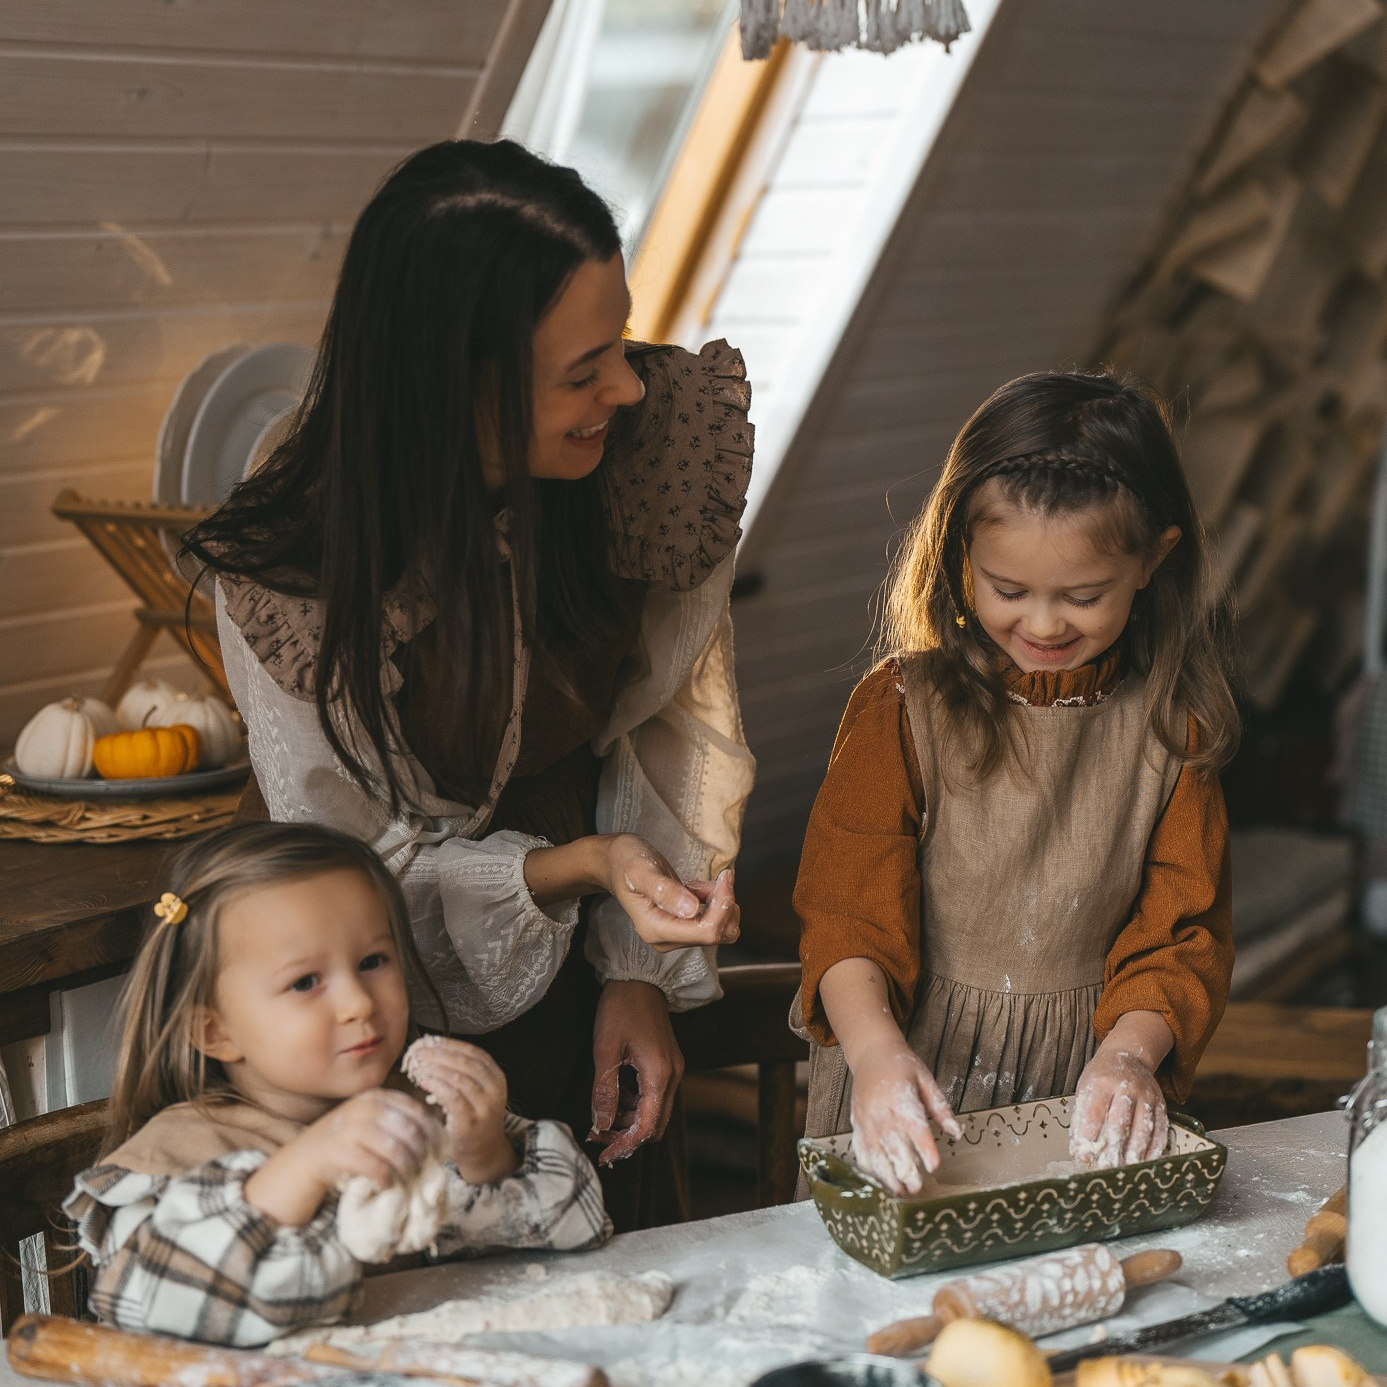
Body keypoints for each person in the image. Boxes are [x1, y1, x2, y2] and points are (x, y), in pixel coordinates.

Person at [183, 139, 756, 1225]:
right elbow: (359, 865)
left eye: (620, 341)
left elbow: (669, 726)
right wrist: (577, 867)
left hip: (590, 948)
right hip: (366, 995)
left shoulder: (649, 456)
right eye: (581, 371)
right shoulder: (300, 561)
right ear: (460, 381)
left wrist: (634, 967)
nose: (625, 387)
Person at [794, 370, 1239, 1195]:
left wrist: (1129, 1057)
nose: (1041, 624)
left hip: (1086, 1085)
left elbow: (1180, 940)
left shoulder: (1171, 734)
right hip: (903, 1073)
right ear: (961, 549)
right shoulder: (903, 709)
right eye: (1008, 590)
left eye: (1081, 595)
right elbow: (847, 916)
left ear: (1152, 561)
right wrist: (873, 1055)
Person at [64, 822, 610, 1347]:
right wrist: (304, 1167)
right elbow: (147, 1304)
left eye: (373, 960)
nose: (358, 1003)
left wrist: (485, 1153)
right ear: (216, 1030)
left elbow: (578, 1226)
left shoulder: (418, 1109)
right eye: (305, 981)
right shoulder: (177, 1153)